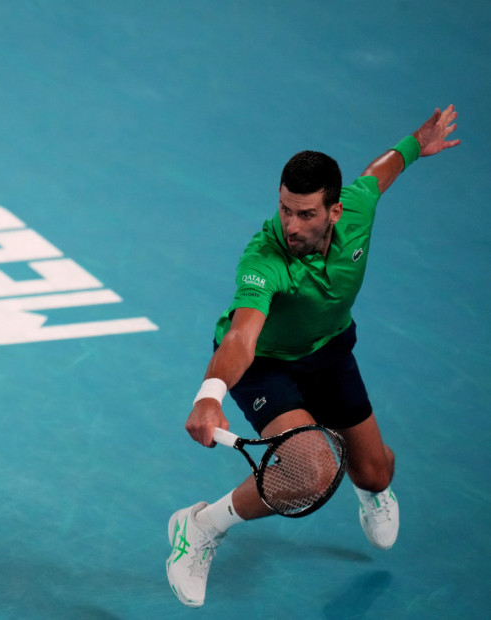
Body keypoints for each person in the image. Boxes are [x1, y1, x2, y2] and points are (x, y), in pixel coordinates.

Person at [167, 105, 461, 608]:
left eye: (306, 214)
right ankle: (199, 527)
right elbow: (241, 336)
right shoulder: (264, 258)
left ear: (335, 211)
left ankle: (370, 486)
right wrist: (210, 395)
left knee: (376, 472)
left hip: (329, 350)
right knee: (310, 470)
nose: (291, 225)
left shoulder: (358, 207)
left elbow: (379, 173)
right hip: (265, 365)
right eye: (285, 209)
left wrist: (417, 143)